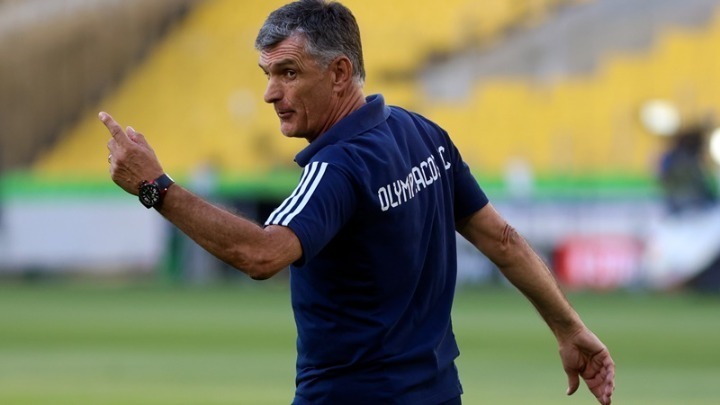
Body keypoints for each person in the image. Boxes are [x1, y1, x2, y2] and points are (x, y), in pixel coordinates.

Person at [100, 1, 615, 404]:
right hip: (438, 394)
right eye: (267, 75)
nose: (271, 94)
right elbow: (502, 239)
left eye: (288, 73)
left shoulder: (338, 168)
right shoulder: (423, 133)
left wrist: (155, 187)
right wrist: (569, 328)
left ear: (340, 73)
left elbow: (261, 254)